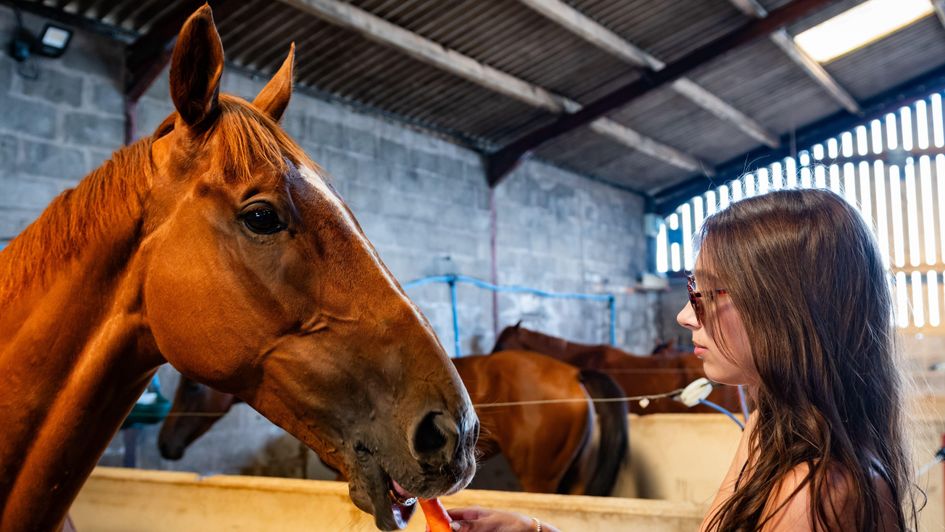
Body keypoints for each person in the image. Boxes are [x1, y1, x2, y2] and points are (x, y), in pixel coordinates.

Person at [446, 189, 919, 531]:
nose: (685, 315)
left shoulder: (817, 494)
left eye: (707, 294)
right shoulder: (766, 430)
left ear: (787, 309)